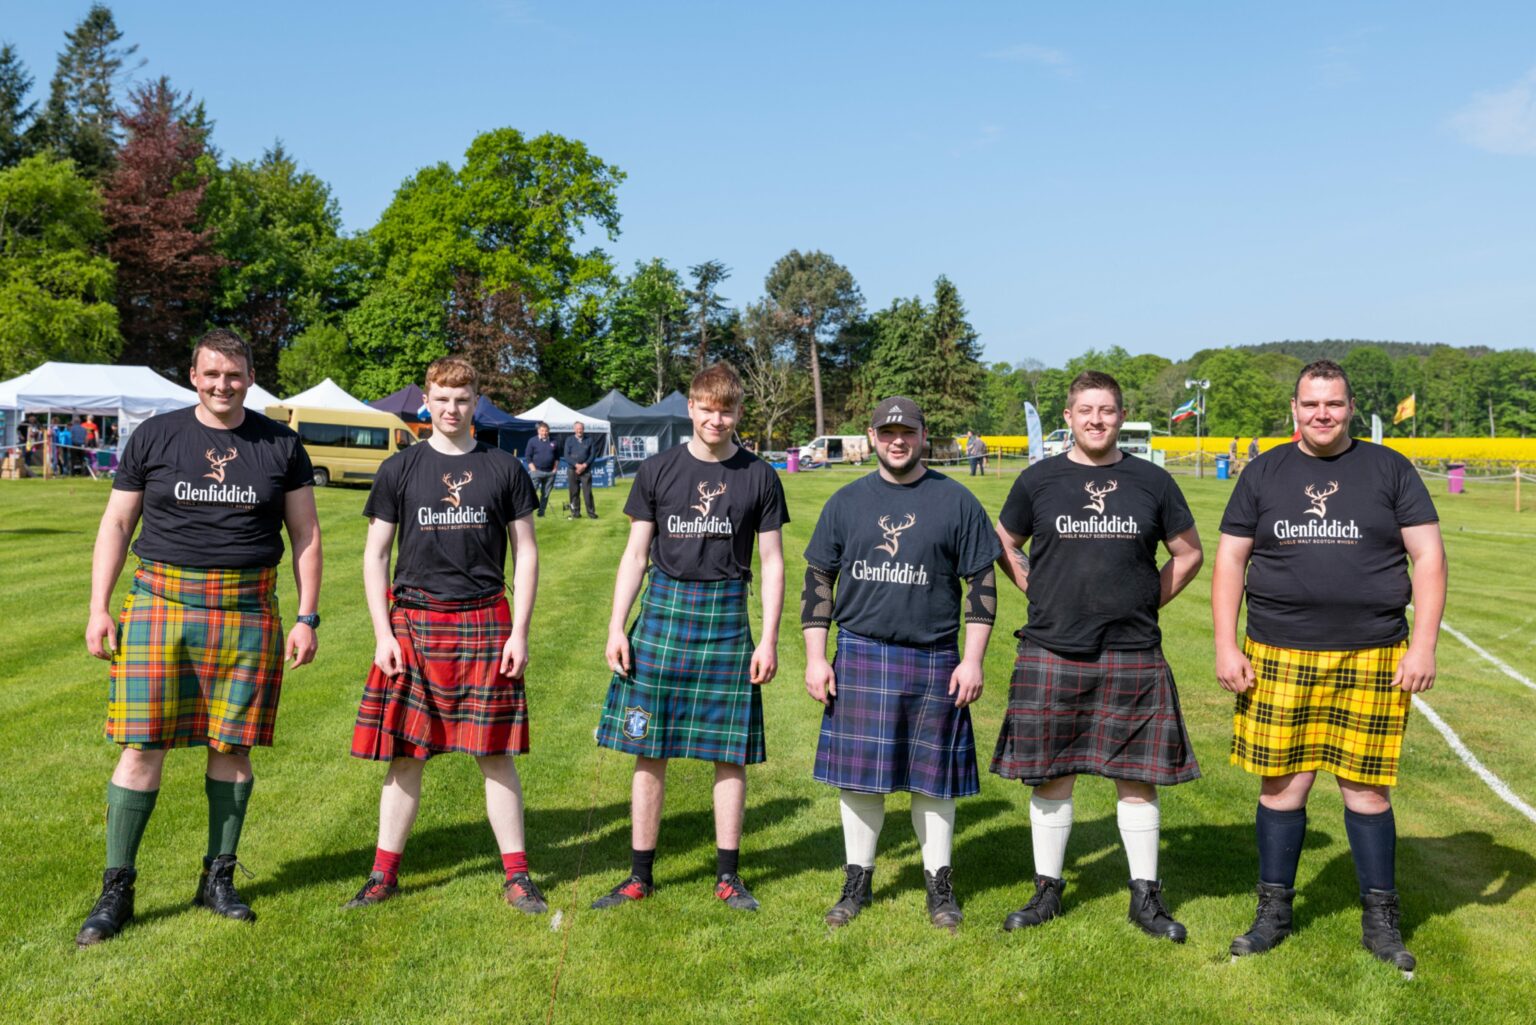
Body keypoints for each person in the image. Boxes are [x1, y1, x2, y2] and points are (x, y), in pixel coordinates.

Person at [75, 328, 321, 947]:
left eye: (234, 375)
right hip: (159, 601)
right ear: (193, 375)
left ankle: (218, 877)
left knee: (232, 748)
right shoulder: (156, 435)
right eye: (212, 374)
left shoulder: (280, 444)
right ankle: (117, 887)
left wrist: (307, 615)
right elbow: (117, 521)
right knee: (140, 747)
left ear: (250, 377)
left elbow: (307, 535)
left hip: (245, 608)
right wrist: (98, 607)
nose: (222, 385)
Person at [1213, 359, 1445, 974]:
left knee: (1366, 789)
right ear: (1294, 408)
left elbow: (1428, 557)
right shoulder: (1263, 471)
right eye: (1312, 404)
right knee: (1282, 784)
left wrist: (1422, 646)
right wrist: (1225, 645)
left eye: (1334, 404)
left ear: (1349, 407)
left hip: (1372, 650)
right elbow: (1231, 562)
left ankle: (1381, 919)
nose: (1323, 414)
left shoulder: (1389, 468)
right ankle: (1273, 913)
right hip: (1278, 651)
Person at [992, 370, 1204, 942]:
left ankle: (1146, 899)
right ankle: (1047, 890)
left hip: (1132, 648)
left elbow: (1188, 554)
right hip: (1052, 646)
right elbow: (1004, 541)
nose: (1096, 420)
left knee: (1136, 779)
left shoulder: (1153, 482)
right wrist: (1036, 590)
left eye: (1107, 410)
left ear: (1119, 416)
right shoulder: (1037, 481)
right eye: (1086, 410)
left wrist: (1145, 600)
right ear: (1068, 417)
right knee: (1051, 776)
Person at [345, 357, 545, 914]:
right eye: (441, 399)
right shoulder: (400, 468)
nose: (452, 409)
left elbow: (526, 553)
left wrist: (519, 631)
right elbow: (375, 555)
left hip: (486, 619)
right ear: (426, 403)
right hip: (414, 622)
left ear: (475, 401)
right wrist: (382, 633)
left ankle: (518, 876)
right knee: (406, 755)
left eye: (462, 399)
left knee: (496, 753)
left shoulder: (504, 468)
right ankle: (383, 876)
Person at [591, 362, 788, 912]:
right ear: (691, 409)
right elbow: (634, 556)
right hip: (664, 613)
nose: (716, 419)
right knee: (647, 748)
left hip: (726, 618)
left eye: (726, 410)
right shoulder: (658, 470)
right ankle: (639, 876)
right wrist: (615, 626)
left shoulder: (759, 475)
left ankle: (728, 876)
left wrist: (768, 639)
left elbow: (772, 564)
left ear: (738, 412)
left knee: (731, 754)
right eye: (706, 408)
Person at [803, 397, 1000, 930]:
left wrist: (973, 660)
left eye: (907, 432)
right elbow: (818, 579)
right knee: (860, 782)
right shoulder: (845, 502)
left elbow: (982, 584)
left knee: (934, 783)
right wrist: (816, 657)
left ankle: (939, 886)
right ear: (871, 436)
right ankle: (857, 881)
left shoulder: (957, 502)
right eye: (887, 432)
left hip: (936, 655)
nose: (897, 441)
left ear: (923, 436)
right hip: (862, 652)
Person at [564, 420, 599, 519]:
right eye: (577, 429)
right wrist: (576, 465)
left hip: (586, 470)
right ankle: (575, 513)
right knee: (574, 492)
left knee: (587, 492)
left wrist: (584, 465)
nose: (579, 430)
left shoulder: (589, 440)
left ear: (583, 429)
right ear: (574, 429)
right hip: (572, 470)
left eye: (581, 429)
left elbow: (592, 455)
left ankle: (591, 513)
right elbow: (566, 455)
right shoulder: (569, 440)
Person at [524, 421, 558, 517]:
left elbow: (557, 457)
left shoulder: (554, 442)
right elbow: (528, 456)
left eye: (546, 431)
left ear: (548, 432)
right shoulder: (532, 441)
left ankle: (541, 512)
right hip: (536, 472)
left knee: (545, 494)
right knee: (531, 492)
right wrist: (533, 469)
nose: (544, 433)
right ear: (538, 431)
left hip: (550, 473)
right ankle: (527, 511)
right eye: (542, 431)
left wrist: (555, 469)